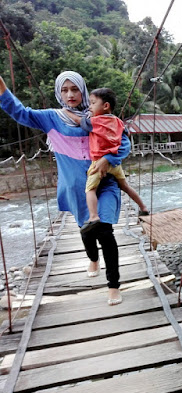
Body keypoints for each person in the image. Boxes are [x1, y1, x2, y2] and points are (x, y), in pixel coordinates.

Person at [0, 71, 129, 305]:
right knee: (86, 229)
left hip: (105, 182)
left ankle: (113, 285)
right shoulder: (51, 117)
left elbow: (124, 141)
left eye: (75, 89)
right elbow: (20, 113)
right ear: (58, 93)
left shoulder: (100, 114)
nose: (70, 94)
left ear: (83, 91)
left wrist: (109, 159)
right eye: (64, 90)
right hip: (76, 187)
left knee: (106, 231)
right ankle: (92, 258)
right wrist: (1, 87)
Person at [63, 87, 149, 235]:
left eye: (92, 103)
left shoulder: (95, 122)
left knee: (90, 190)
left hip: (98, 164)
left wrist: (65, 112)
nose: (89, 106)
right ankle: (143, 208)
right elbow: (125, 135)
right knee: (125, 186)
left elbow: (79, 121)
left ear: (105, 106)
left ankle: (93, 216)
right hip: (115, 164)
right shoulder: (119, 122)